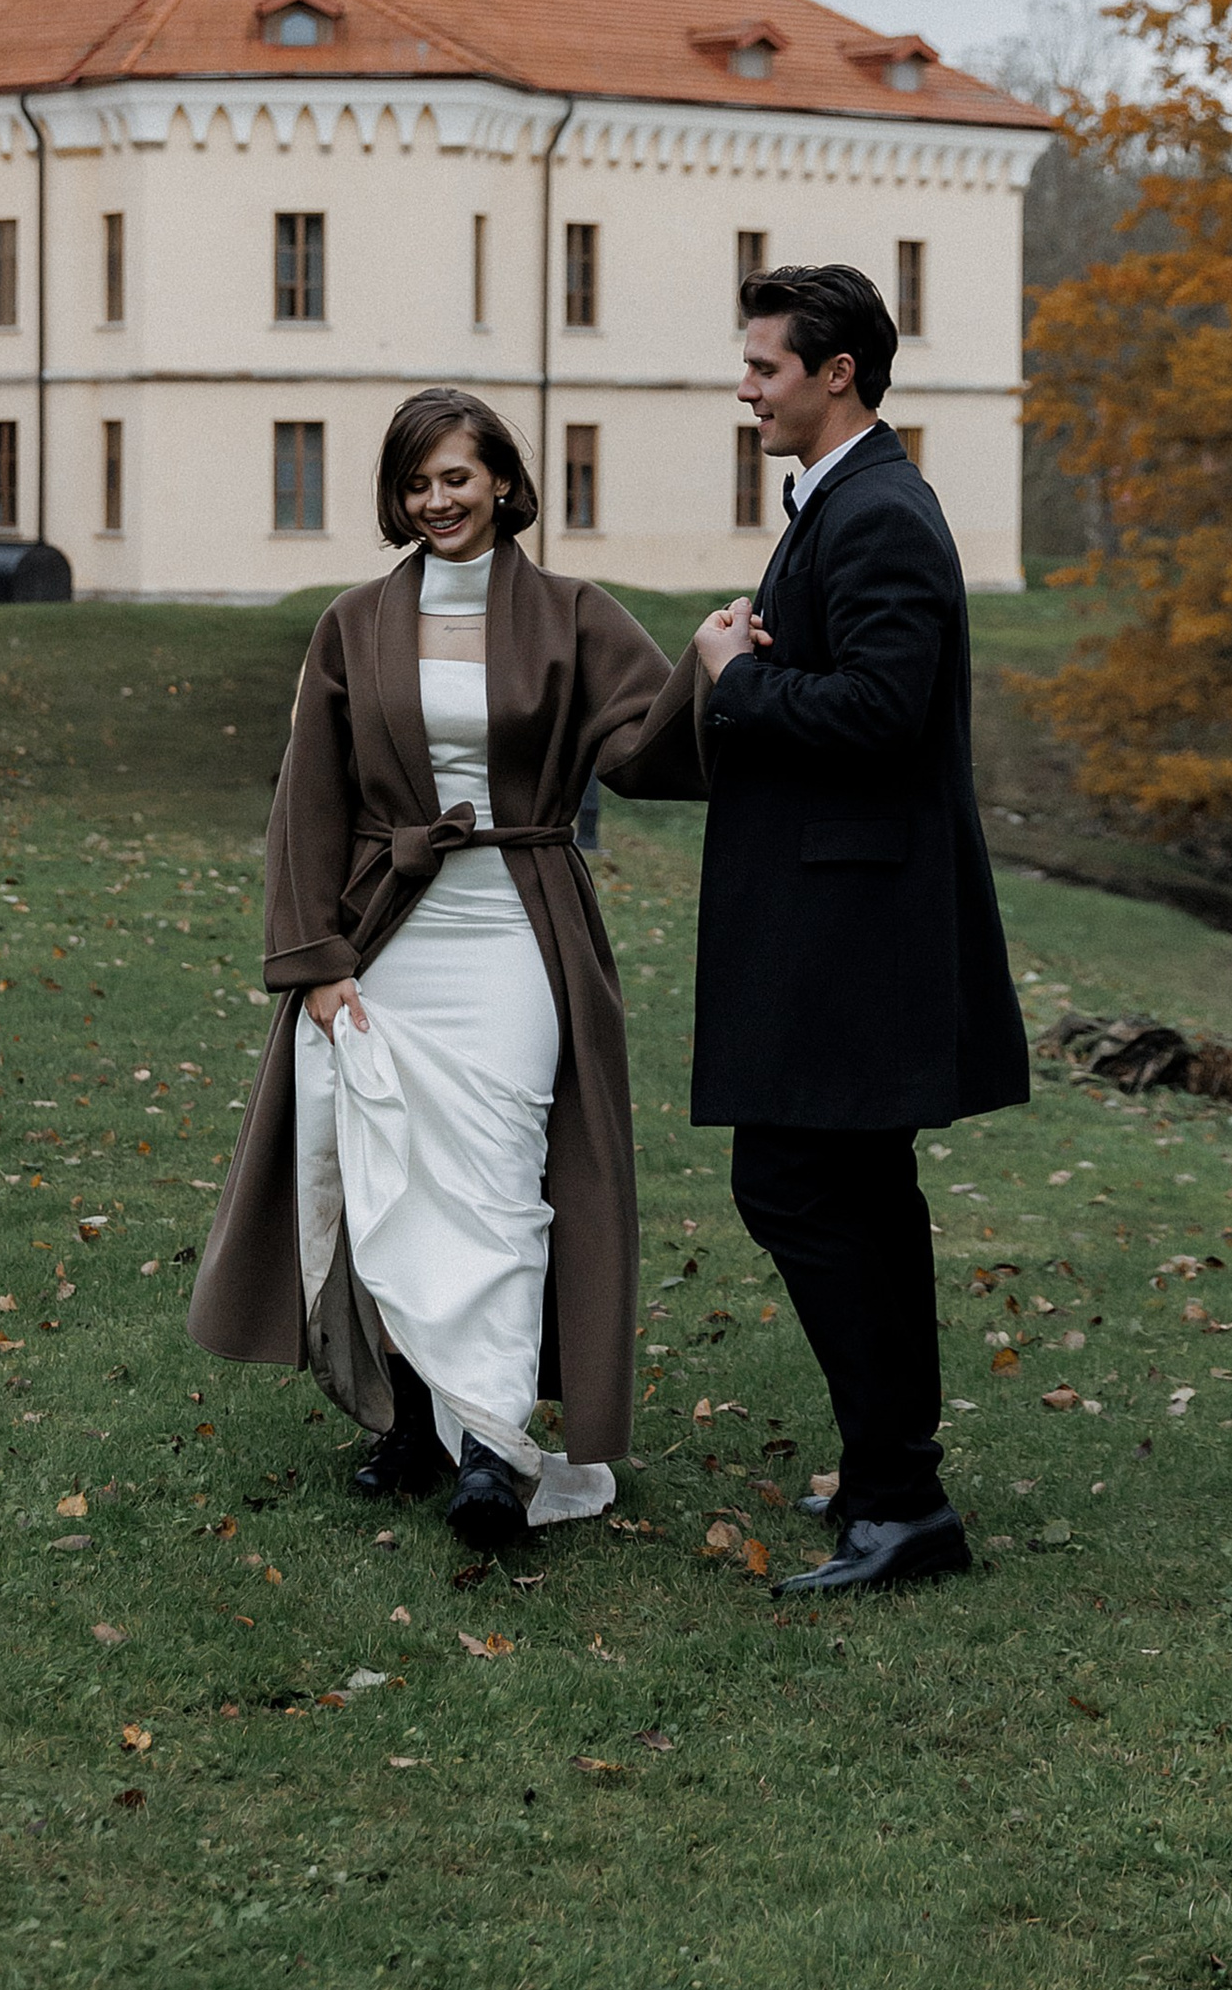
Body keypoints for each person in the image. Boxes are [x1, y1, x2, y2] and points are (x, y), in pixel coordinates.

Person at [188, 393, 669, 1550]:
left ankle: (492, 1450)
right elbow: (309, 799)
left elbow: (657, 745)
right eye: (416, 483)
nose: (435, 501)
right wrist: (315, 961)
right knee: (384, 1177)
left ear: (504, 481)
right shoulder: (353, 624)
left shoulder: (572, 615)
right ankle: (413, 1420)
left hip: (514, 930)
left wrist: (710, 667)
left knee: (500, 1188)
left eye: (457, 478)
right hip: (390, 930)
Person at [625, 261, 1028, 1595]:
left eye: (766, 368)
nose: (746, 389)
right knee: (855, 1192)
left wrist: (740, 678)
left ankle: (902, 1502)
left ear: (837, 372)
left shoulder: (882, 515)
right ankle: (885, 1475)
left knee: (796, 1185)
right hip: (838, 920)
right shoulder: (844, 504)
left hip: (854, 932)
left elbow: (881, 713)